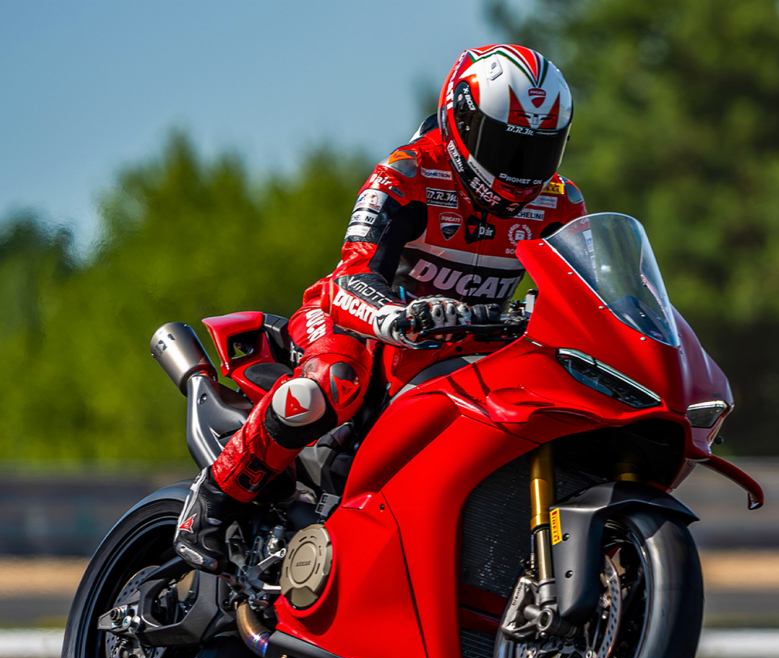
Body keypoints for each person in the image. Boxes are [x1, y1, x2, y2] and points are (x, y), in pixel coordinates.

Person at [174, 44, 587, 573]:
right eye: (505, 146)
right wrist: (393, 314)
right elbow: (353, 273)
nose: (520, 170)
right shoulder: (409, 172)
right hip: (354, 320)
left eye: (537, 152)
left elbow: (582, 292)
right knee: (330, 384)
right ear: (460, 122)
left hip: (466, 346)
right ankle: (213, 498)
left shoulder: (560, 202)